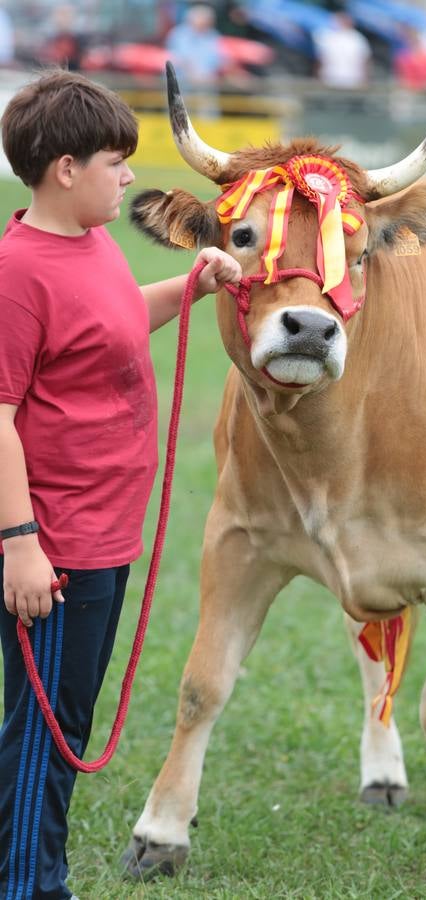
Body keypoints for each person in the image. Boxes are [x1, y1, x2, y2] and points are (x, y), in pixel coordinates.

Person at [0, 68, 241, 900]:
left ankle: (34, 875)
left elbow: (113, 318)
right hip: (54, 548)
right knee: (46, 728)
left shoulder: (91, 244)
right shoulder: (18, 273)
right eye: (115, 160)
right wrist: (20, 544)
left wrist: (190, 284)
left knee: (63, 719)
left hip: (102, 535)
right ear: (64, 169)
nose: (130, 177)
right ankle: (29, 886)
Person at [165, 4, 223, 112]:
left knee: (207, 116)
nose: (207, 22)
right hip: (182, 85)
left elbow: (219, 60)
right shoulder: (178, 34)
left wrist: (209, 76)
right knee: (180, 118)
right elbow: (177, 59)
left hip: (207, 85)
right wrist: (194, 76)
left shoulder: (214, 36)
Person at [312, 12, 371, 90]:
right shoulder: (358, 38)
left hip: (335, 80)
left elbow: (320, 60)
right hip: (347, 80)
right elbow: (365, 61)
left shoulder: (327, 37)